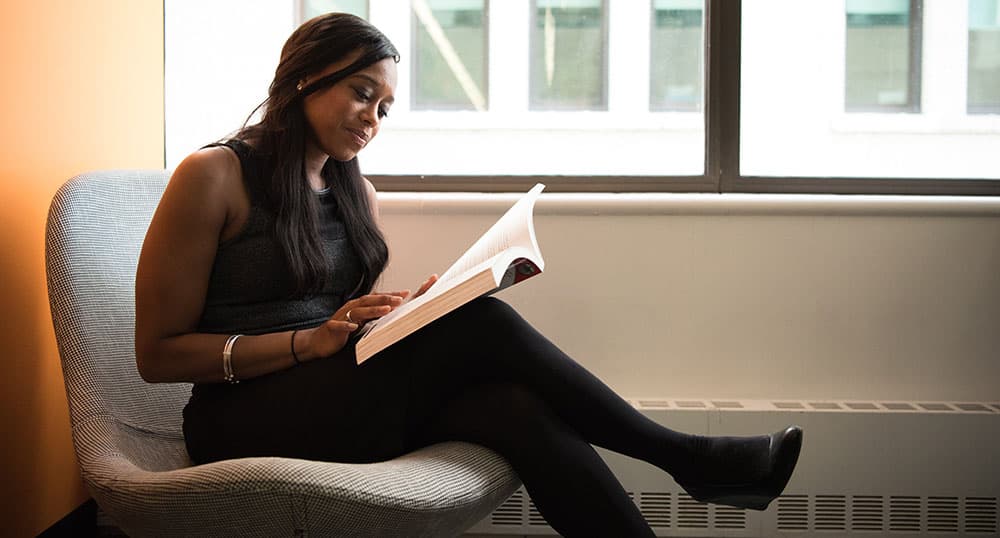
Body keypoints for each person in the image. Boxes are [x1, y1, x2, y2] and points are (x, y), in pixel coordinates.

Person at [135, 13, 802, 537]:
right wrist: (302, 345)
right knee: (477, 324)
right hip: (234, 419)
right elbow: (157, 354)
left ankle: (688, 471)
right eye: (361, 93)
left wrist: (395, 317)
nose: (373, 118)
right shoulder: (215, 175)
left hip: (321, 401)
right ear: (304, 77)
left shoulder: (352, 193)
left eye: (385, 107)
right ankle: (687, 457)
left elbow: (333, 323)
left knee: (516, 408)